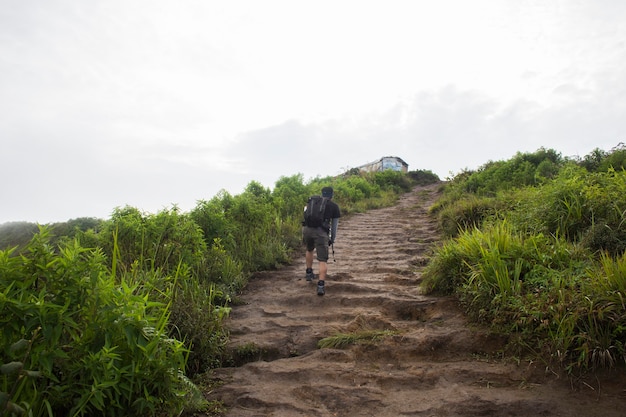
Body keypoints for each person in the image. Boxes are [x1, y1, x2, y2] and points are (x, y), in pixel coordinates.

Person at [302, 186, 341, 296]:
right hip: (320, 233)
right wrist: (332, 239)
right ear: (332, 195)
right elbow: (334, 227)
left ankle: (309, 274)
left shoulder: (313, 202)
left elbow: (306, 214)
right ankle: (320, 285)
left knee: (309, 249)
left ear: (322, 194)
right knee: (322, 260)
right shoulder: (334, 206)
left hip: (307, 230)